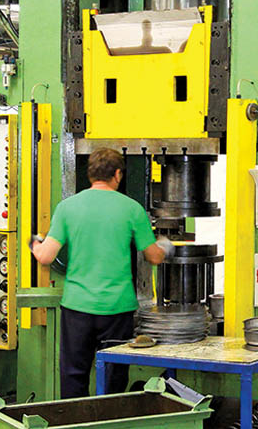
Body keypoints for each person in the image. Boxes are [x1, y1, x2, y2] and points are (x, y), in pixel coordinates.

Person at [29, 148, 173, 398]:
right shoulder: (132, 209)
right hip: (117, 310)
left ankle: (74, 420)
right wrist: (166, 245)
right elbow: (154, 257)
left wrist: (34, 242)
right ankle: (109, 419)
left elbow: (46, 256)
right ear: (117, 174)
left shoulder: (67, 207)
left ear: (90, 174)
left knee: (74, 375)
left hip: (77, 308)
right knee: (114, 377)